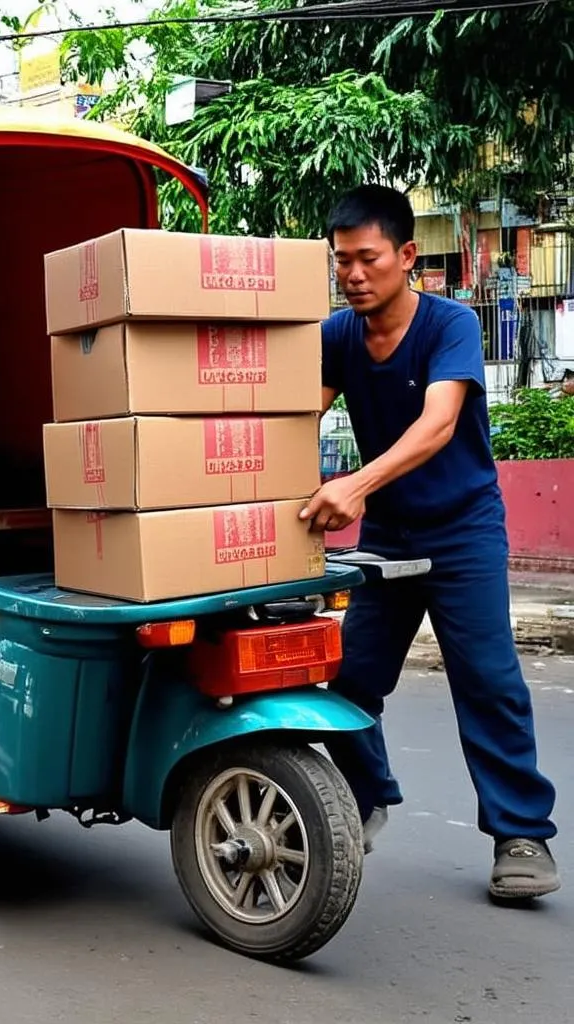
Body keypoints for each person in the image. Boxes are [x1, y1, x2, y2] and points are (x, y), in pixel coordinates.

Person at [302, 184, 560, 901]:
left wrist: (355, 483)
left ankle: (522, 835)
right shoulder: (335, 336)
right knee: (347, 677)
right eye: (341, 261)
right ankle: (367, 793)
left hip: (464, 528)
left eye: (368, 259)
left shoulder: (450, 326)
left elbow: (439, 422)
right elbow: (296, 417)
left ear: (407, 256)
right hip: (388, 532)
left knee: (487, 678)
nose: (353, 275)